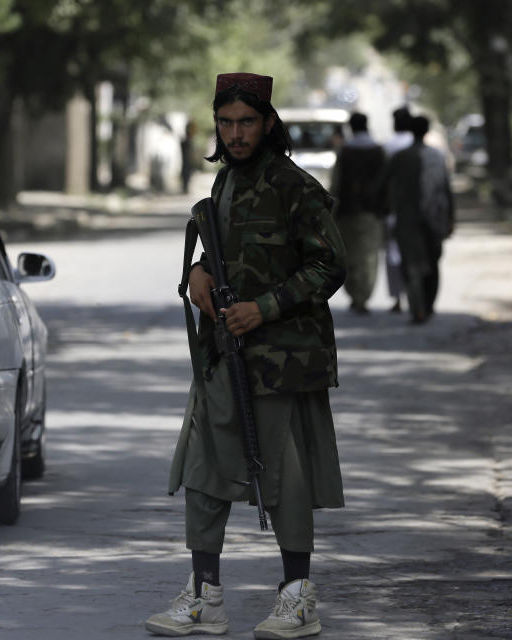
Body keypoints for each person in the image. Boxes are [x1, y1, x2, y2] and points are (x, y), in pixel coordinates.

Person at [146, 72, 346, 639]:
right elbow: (222, 253)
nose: (236, 133)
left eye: (247, 122)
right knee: (206, 471)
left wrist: (265, 307)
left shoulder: (295, 187)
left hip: (282, 358)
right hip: (225, 353)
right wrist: (199, 271)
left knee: (285, 478)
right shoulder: (223, 186)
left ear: (268, 123)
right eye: (226, 122)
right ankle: (205, 596)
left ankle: (298, 596)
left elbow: (331, 266)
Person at [385, 115, 454, 324]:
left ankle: (418, 309)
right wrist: (450, 219)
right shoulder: (437, 156)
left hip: (408, 220)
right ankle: (428, 305)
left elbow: (384, 184)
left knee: (412, 265)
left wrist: (385, 209)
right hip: (434, 219)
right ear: (426, 131)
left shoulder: (400, 157)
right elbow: (447, 190)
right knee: (432, 264)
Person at [329, 112, 387, 314]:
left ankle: (355, 295)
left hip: (347, 212)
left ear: (351, 128)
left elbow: (336, 184)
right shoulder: (379, 151)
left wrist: (331, 210)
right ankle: (363, 296)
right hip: (372, 213)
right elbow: (386, 183)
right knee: (369, 256)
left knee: (349, 256)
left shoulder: (344, 151)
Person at [382, 107, 415, 313]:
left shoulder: (388, 146)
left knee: (393, 253)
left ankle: (397, 299)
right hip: (414, 209)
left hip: (393, 207)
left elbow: (383, 180)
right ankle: (415, 295)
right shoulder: (416, 145)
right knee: (413, 253)